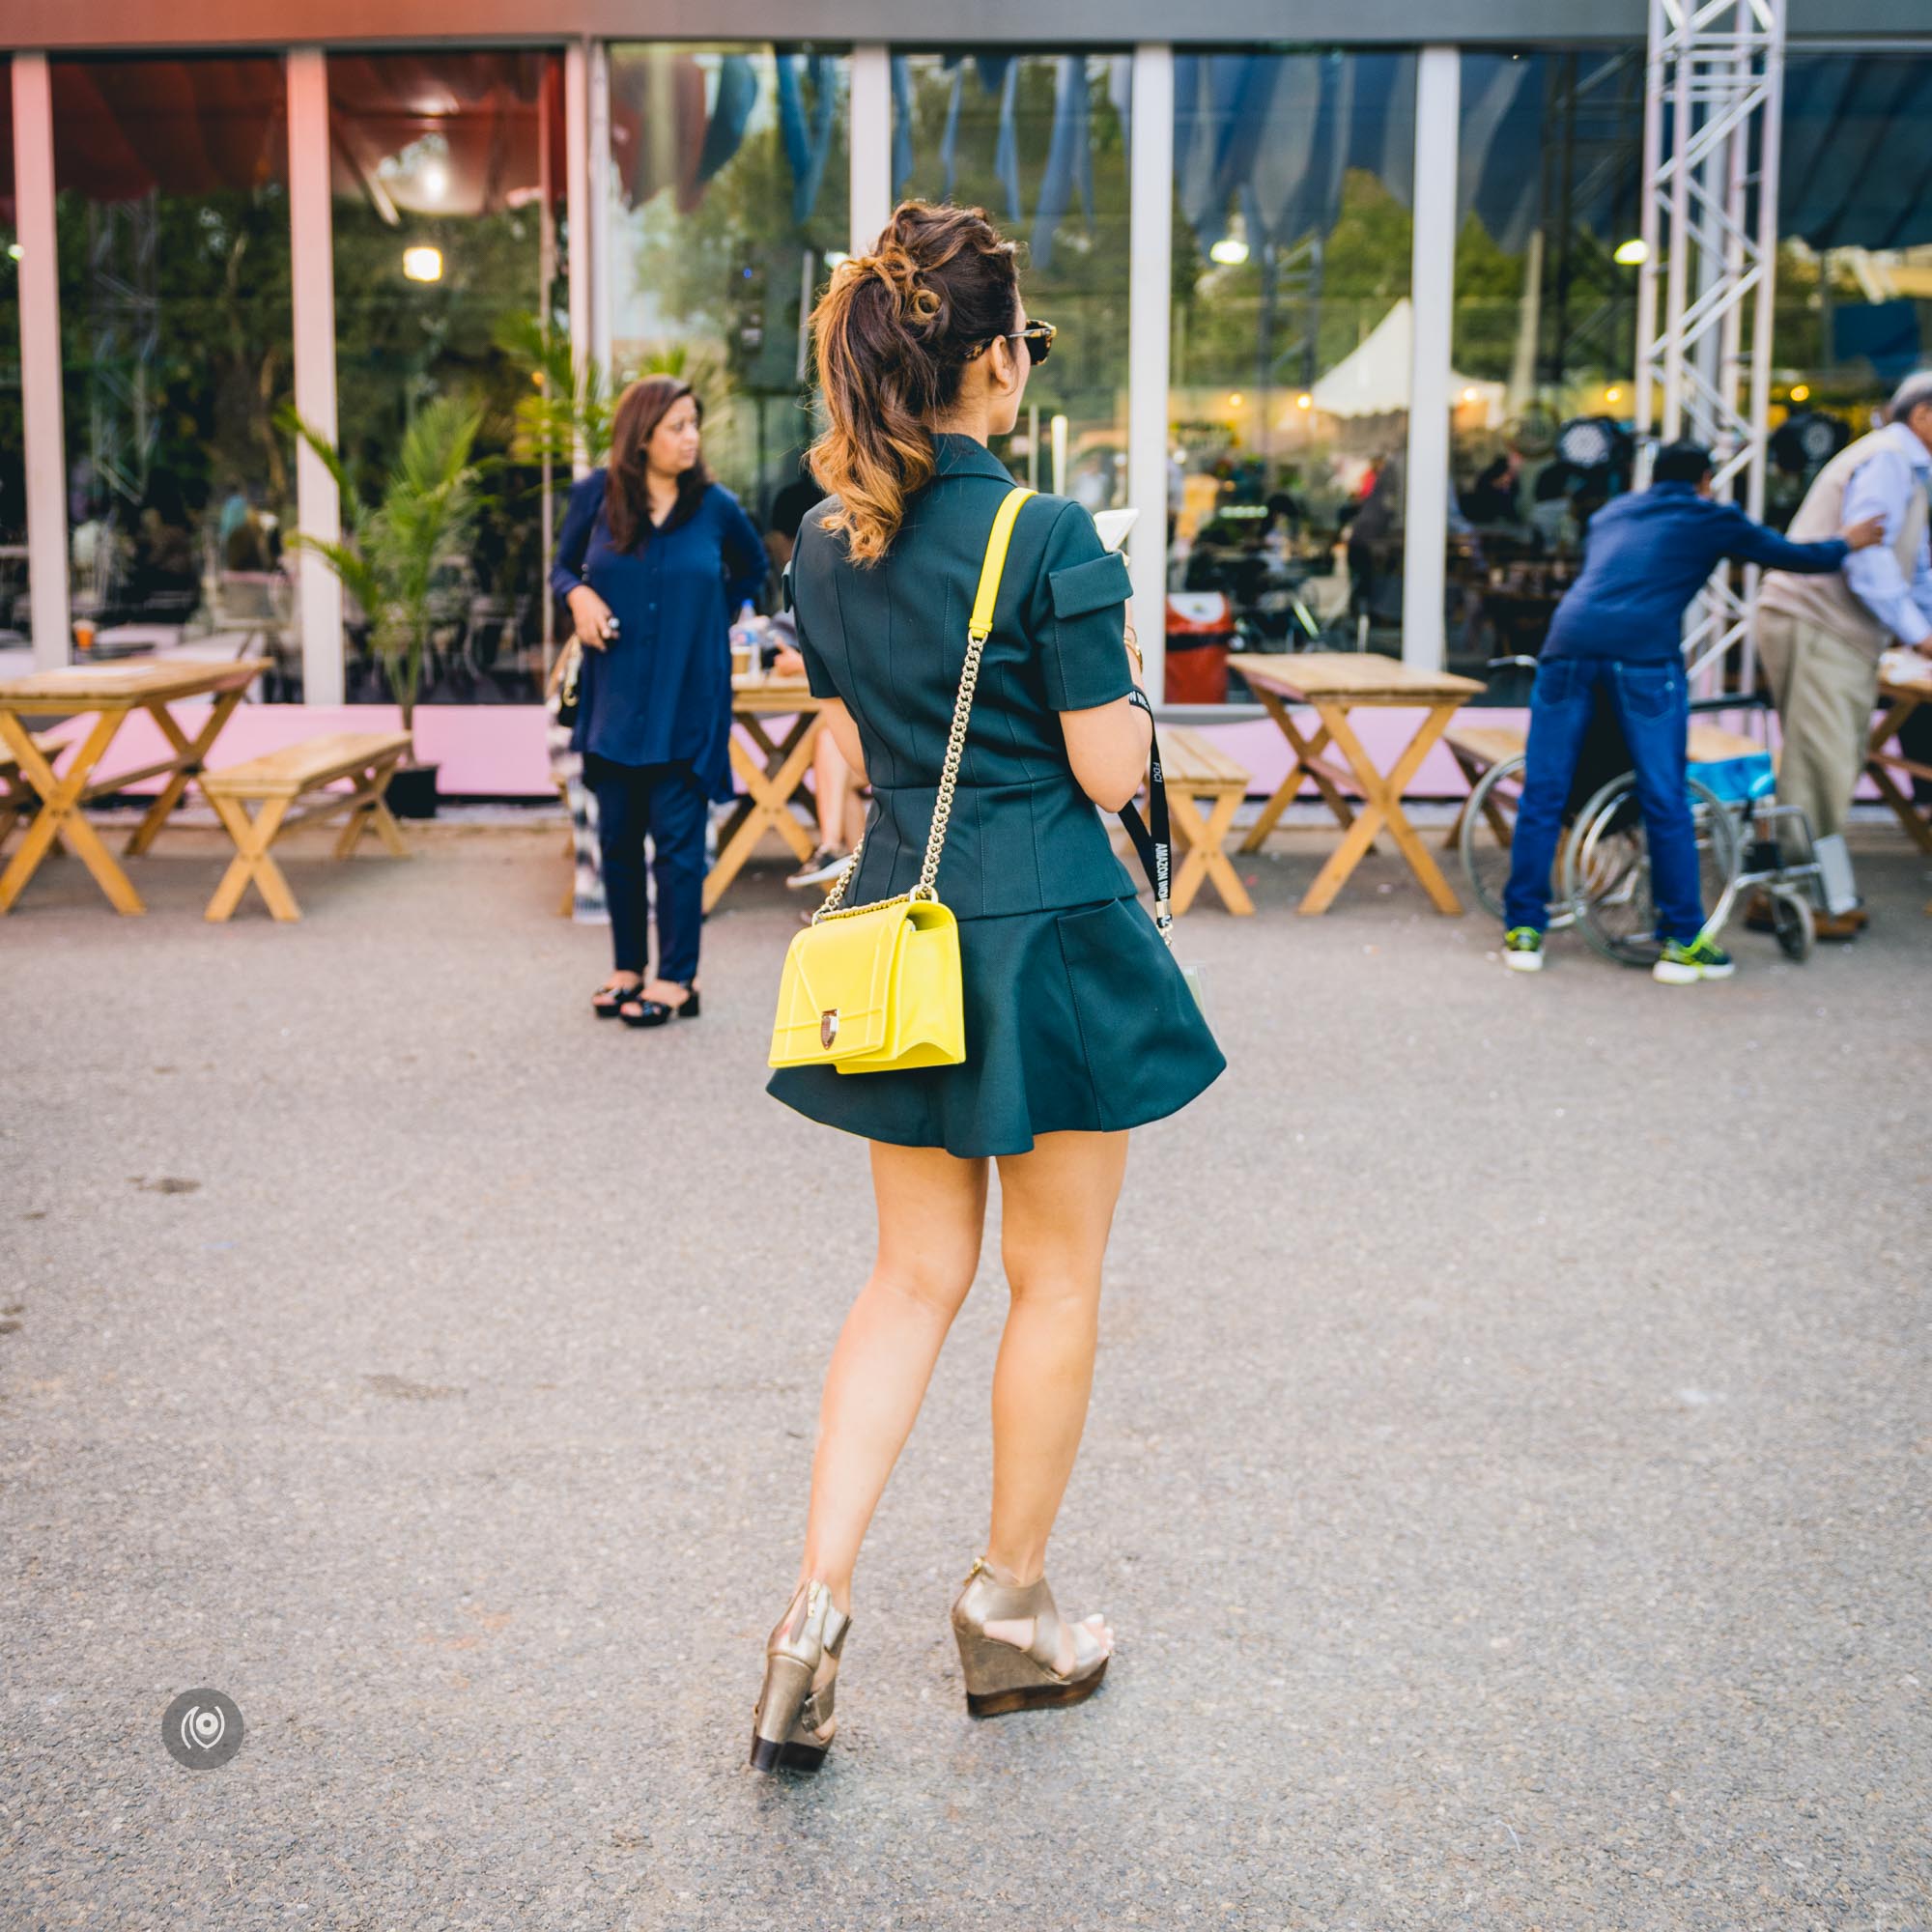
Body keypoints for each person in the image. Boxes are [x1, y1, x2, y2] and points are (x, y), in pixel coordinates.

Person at [749, 201, 1226, 1774]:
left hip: (908, 927)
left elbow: (853, 756)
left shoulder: (826, 539)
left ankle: (809, 1625)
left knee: (908, 1282)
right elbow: (1106, 764)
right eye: (1026, 342)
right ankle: (1009, 1612)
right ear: (997, 361)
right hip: (1054, 939)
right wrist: (1132, 697)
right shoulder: (1048, 538)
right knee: (1057, 1281)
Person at [1500, 440, 1883, 983]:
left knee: (1544, 789)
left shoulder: (1613, 512)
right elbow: (1796, 558)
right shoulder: (1710, 517)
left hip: (1567, 644)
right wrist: (1848, 542)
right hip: (1642, 657)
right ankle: (1681, 941)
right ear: (1705, 479)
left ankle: (1524, 931)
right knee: (1665, 796)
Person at [549, 377, 766, 1027]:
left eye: (694, 424)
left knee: (677, 847)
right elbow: (562, 569)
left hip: (687, 701)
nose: (690, 436)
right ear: (641, 435)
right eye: (677, 425)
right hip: (613, 704)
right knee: (616, 841)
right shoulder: (596, 496)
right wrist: (578, 597)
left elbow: (751, 570)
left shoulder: (717, 507)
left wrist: (712, 621)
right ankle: (627, 968)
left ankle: (677, 979)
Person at [1754, 370, 1932, 938]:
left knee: (1829, 760)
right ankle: (1789, 898)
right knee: (1821, 763)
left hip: (1832, 625)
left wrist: (1920, 626)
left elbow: (1916, 563)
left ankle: (1824, 892)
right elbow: (1868, 559)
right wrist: (1918, 632)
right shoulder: (1888, 459)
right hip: (1818, 620)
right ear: (1923, 415)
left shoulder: (1907, 466)